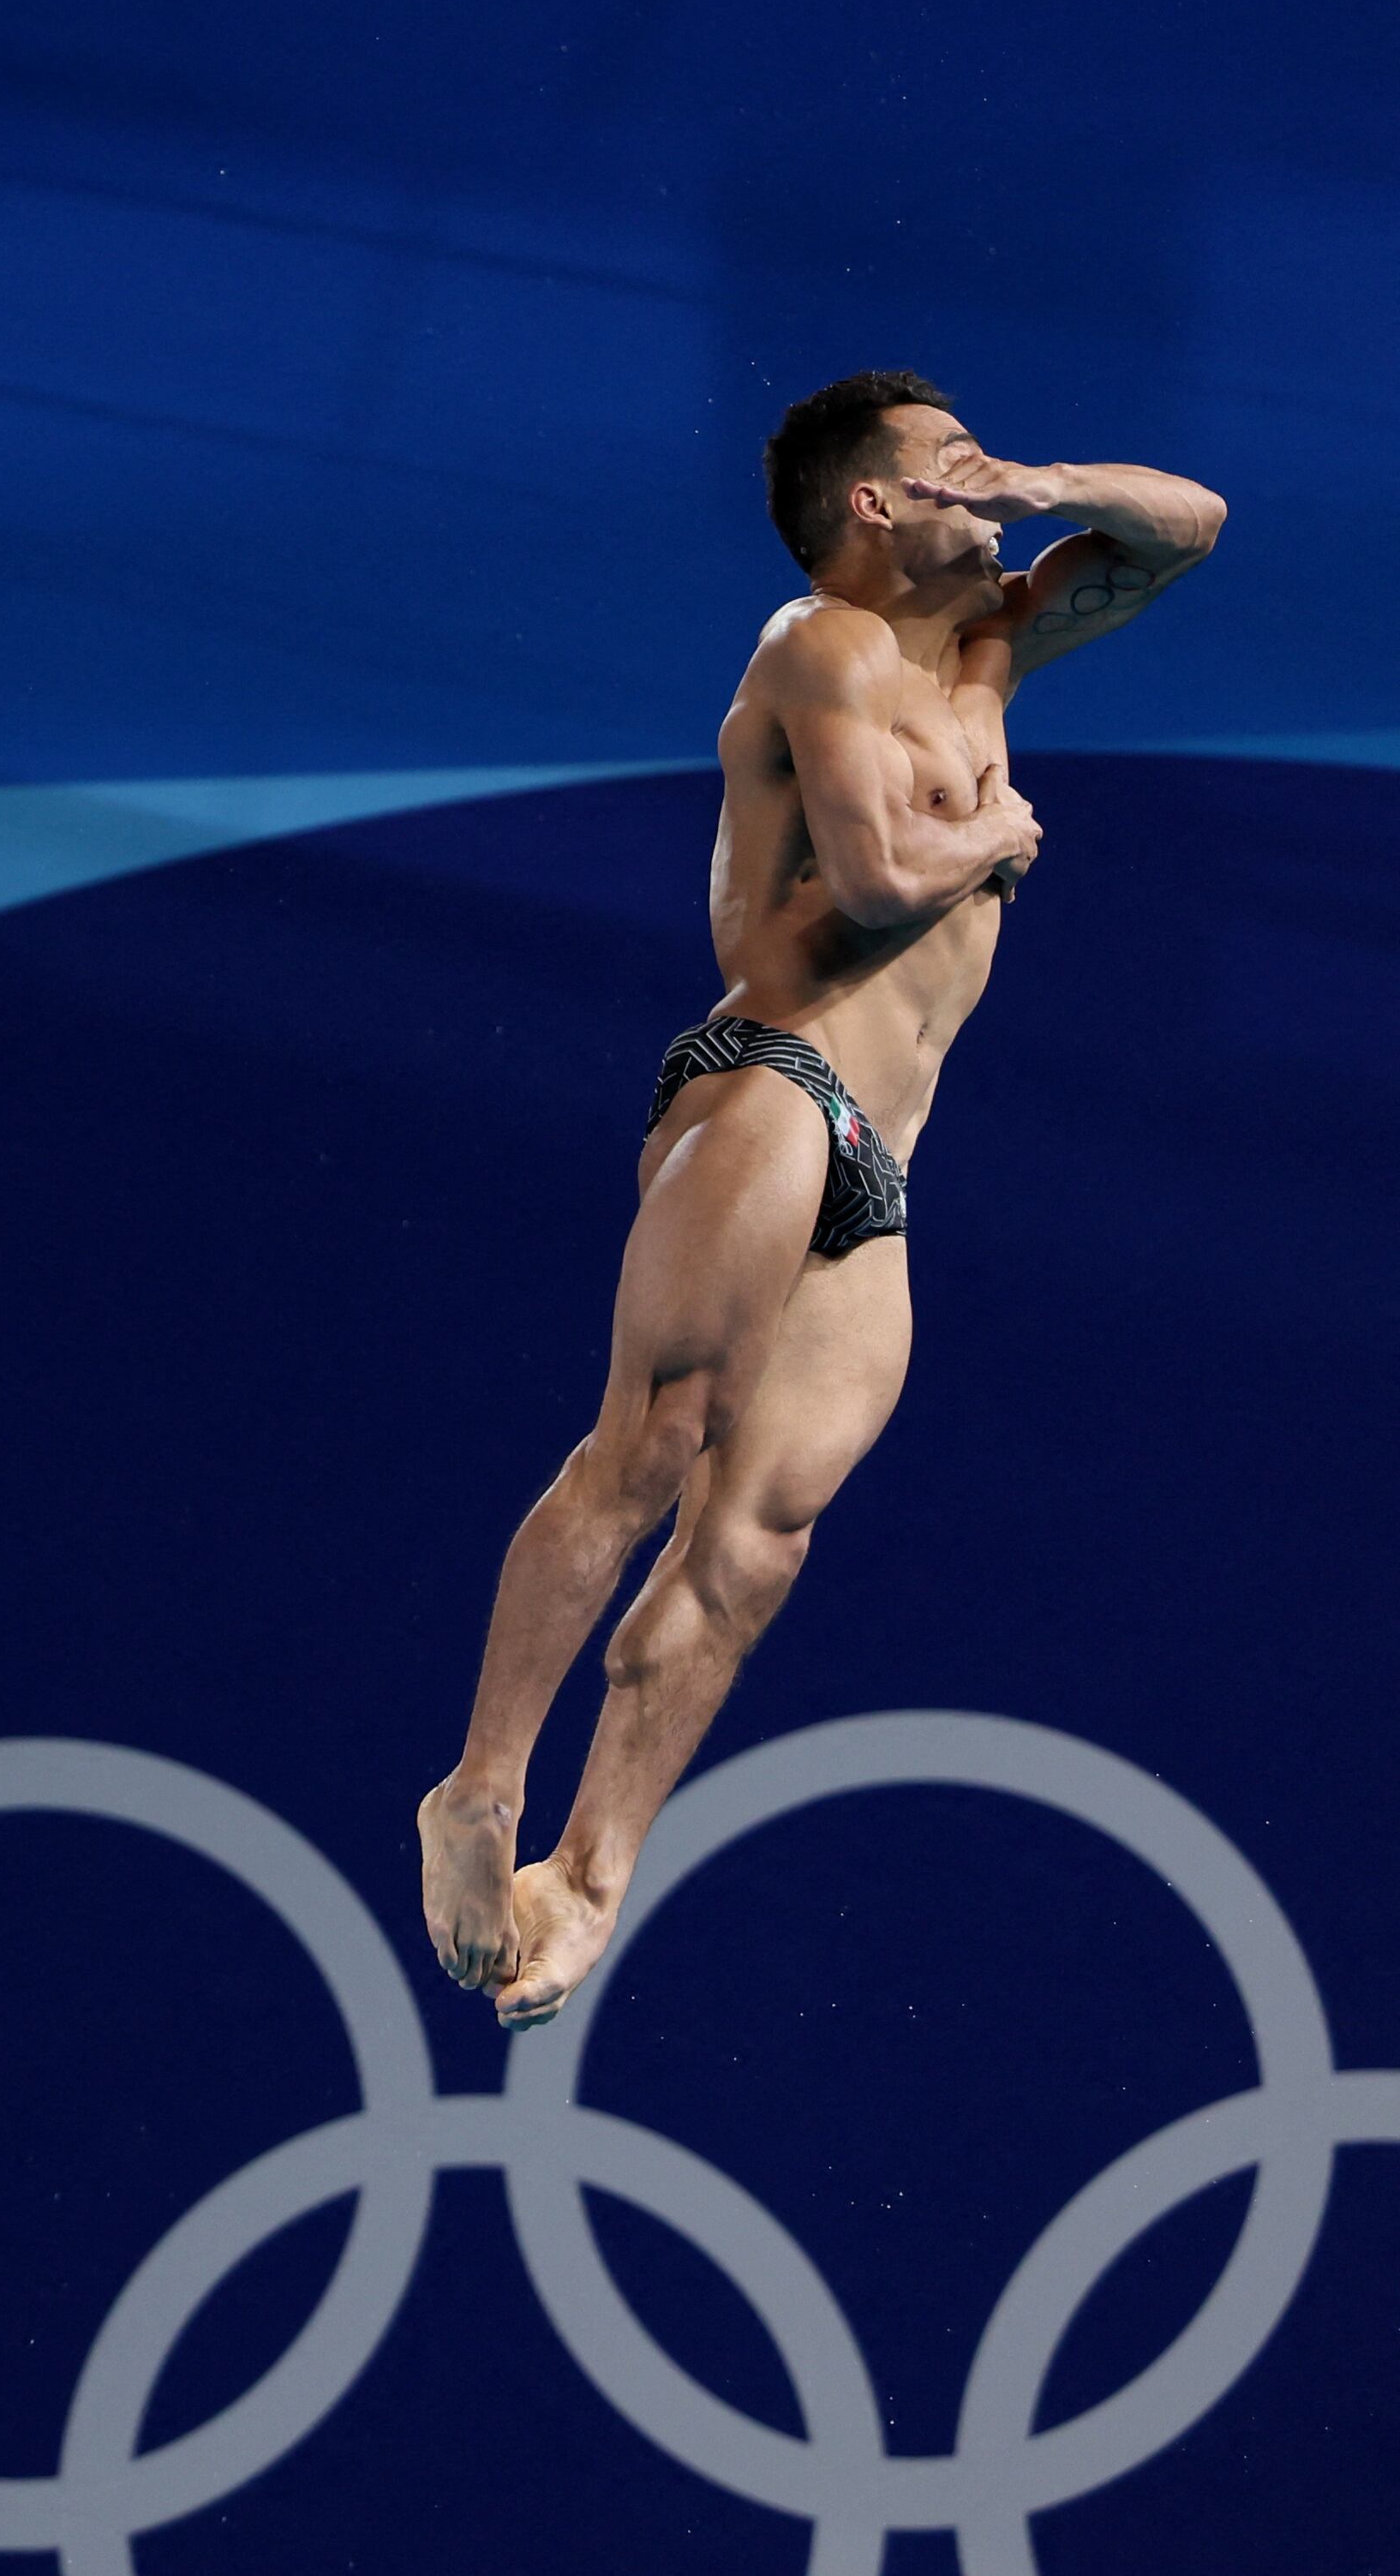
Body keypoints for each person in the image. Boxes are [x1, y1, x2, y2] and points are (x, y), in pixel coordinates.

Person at [416, 370, 1222, 2030]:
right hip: (771, 1083)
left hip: (885, 1166)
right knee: (652, 1443)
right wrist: (990, 830)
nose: (983, 484)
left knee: (759, 1546)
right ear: (871, 505)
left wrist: (1041, 472)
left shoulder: (984, 645)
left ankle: (587, 1873)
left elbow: (1188, 529)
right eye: (949, 463)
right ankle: (479, 1792)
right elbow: (867, 881)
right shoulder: (818, 649)